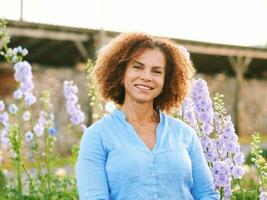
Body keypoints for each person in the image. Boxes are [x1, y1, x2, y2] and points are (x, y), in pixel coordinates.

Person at [76, 32, 219, 200]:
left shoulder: (185, 134)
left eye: (157, 72)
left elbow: (207, 195)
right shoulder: (97, 136)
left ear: (166, 80)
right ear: (122, 74)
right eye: (137, 67)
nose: (146, 77)